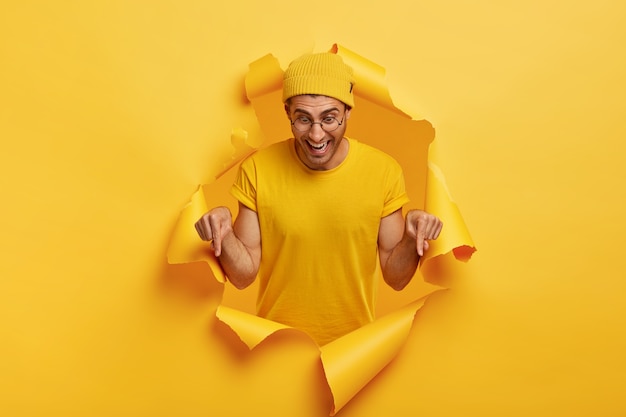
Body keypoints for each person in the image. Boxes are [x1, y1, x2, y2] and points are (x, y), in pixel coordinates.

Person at [195, 52, 442, 346]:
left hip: (352, 353)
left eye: (329, 119)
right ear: (287, 112)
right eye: (303, 119)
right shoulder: (258, 169)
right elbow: (243, 275)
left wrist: (411, 239)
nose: (316, 134)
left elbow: (396, 278)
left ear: (348, 111)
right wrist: (223, 233)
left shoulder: (383, 171)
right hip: (275, 347)